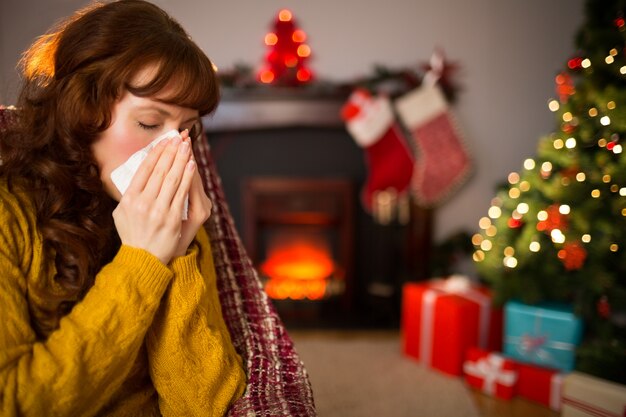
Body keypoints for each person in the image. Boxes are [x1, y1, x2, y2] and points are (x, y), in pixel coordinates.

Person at [0, 1, 247, 415]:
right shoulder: (10, 217)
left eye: (186, 130)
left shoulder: (177, 216)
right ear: (82, 112)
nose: (174, 151)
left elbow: (204, 405)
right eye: (150, 123)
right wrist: (143, 261)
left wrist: (178, 253)